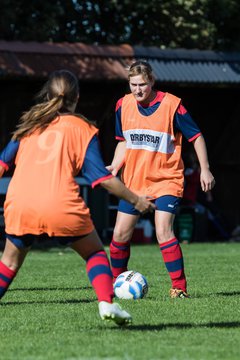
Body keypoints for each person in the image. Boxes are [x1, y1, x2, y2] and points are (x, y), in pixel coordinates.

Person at [0, 69, 155, 326]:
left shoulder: (29, 125)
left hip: (20, 204)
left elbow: (2, 164)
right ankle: (106, 302)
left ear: (47, 95)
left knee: (9, 263)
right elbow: (102, 178)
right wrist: (136, 200)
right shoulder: (83, 129)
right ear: (77, 97)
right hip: (60, 204)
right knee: (95, 253)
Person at [107, 60, 215, 298]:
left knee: (163, 231)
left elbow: (196, 137)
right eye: (133, 84)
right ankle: (117, 283)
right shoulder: (122, 105)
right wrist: (115, 165)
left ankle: (179, 288)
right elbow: (123, 141)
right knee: (119, 235)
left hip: (166, 179)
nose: (137, 90)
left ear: (152, 81)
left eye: (142, 84)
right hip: (134, 182)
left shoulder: (172, 105)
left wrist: (205, 169)